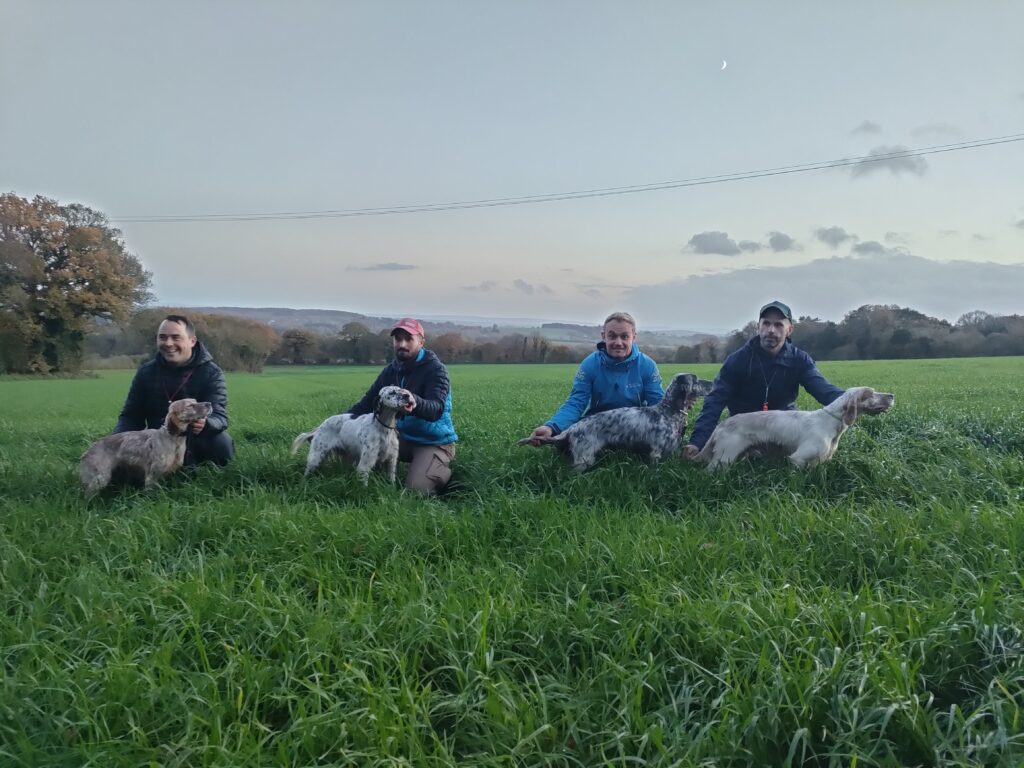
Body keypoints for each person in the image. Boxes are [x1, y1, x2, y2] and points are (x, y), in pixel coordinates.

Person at [683, 300, 845, 458]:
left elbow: (824, 391)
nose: (771, 330)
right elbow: (715, 400)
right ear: (758, 327)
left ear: (790, 330)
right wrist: (698, 441)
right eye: (766, 323)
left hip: (784, 431)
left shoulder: (800, 360)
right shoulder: (738, 360)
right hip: (746, 429)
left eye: (778, 325)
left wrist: (853, 398)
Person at [344, 318, 457, 495]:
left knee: (417, 490)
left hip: (433, 441)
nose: (402, 344)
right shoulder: (392, 370)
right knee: (358, 458)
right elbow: (367, 403)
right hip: (400, 438)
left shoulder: (436, 369)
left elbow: (436, 409)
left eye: (408, 339)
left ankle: (439, 472)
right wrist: (330, 425)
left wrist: (415, 401)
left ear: (421, 341)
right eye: (398, 339)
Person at [525, 311, 664, 443]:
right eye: (612, 336)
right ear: (604, 336)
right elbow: (576, 402)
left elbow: (658, 404)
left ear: (634, 337)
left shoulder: (647, 365)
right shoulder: (590, 364)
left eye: (624, 336)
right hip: (596, 427)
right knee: (565, 447)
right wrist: (552, 427)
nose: (618, 342)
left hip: (635, 428)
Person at [114, 314, 234, 466]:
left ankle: (198, 469)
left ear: (192, 341)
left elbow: (219, 416)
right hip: (156, 443)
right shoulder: (145, 372)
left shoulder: (212, 373)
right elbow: (131, 416)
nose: (168, 343)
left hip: (193, 438)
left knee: (222, 443)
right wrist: (117, 442)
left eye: (176, 337)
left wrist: (207, 424)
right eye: (162, 337)